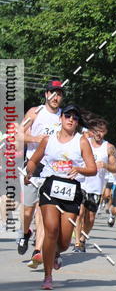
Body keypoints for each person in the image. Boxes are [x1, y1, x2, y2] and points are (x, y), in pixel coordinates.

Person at [24, 104, 97, 289]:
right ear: (61, 119)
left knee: (64, 242)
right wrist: (29, 173)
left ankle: (56, 253)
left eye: (74, 117)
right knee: (51, 230)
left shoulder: (81, 141)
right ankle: (47, 276)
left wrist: (79, 169)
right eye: (67, 116)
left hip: (71, 190)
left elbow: (92, 169)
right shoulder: (48, 140)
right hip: (50, 187)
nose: (70, 119)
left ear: (77, 121)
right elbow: (34, 160)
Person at [17, 79, 64, 266]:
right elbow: (18, 134)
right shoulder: (35, 112)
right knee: (28, 210)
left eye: (59, 94)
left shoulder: (64, 116)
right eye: (53, 93)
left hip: (53, 167)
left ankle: (38, 250)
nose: (56, 97)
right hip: (33, 165)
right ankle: (25, 232)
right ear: (46, 94)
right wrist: (37, 138)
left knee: (43, 208)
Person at [74, 119, 116, 252]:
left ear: (105, 133)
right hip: (81, 182)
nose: (99, 134)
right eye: (96, 130)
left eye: (102, 131)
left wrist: (105, 165)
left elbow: (115, 169)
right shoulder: (83, 143)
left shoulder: (109, 147)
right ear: (92, 130)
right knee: (80, 213)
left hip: (96, 187)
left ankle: (83, 238)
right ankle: (77, 242)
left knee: (91, 217)